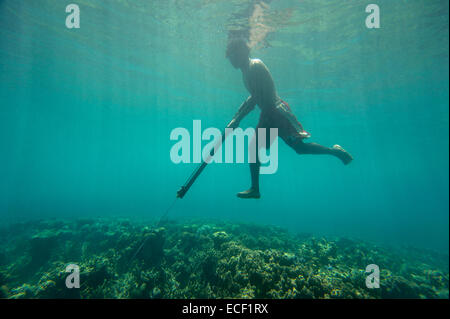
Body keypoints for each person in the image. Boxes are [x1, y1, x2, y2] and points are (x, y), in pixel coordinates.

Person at [226, 38, 353, 199]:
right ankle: (255, 188)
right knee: (265, 148)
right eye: (229, 56)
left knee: (298, 148)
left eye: (232, 55)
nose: (230, 59)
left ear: (243, 52)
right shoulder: (245, 72)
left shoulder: (254, 66)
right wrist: (237, 117)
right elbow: (253, 97)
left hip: (277, 114)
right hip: (268, 115)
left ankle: (335, 151)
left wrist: (237, 119)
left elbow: (255, 98)